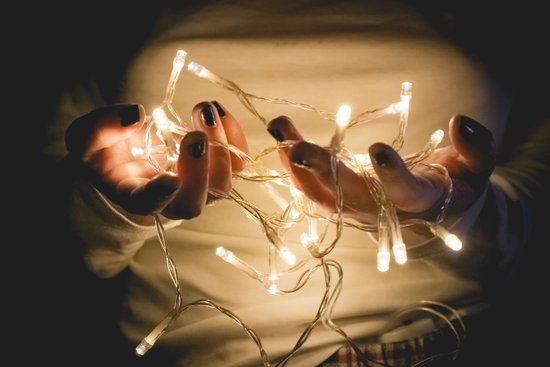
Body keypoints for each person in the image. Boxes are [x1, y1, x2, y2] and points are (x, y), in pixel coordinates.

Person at [37, 0, 549, 366]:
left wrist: (453, 215)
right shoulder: (107, 23)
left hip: (447, 342)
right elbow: (46, 262)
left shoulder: (505, 18)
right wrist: (110, 206)